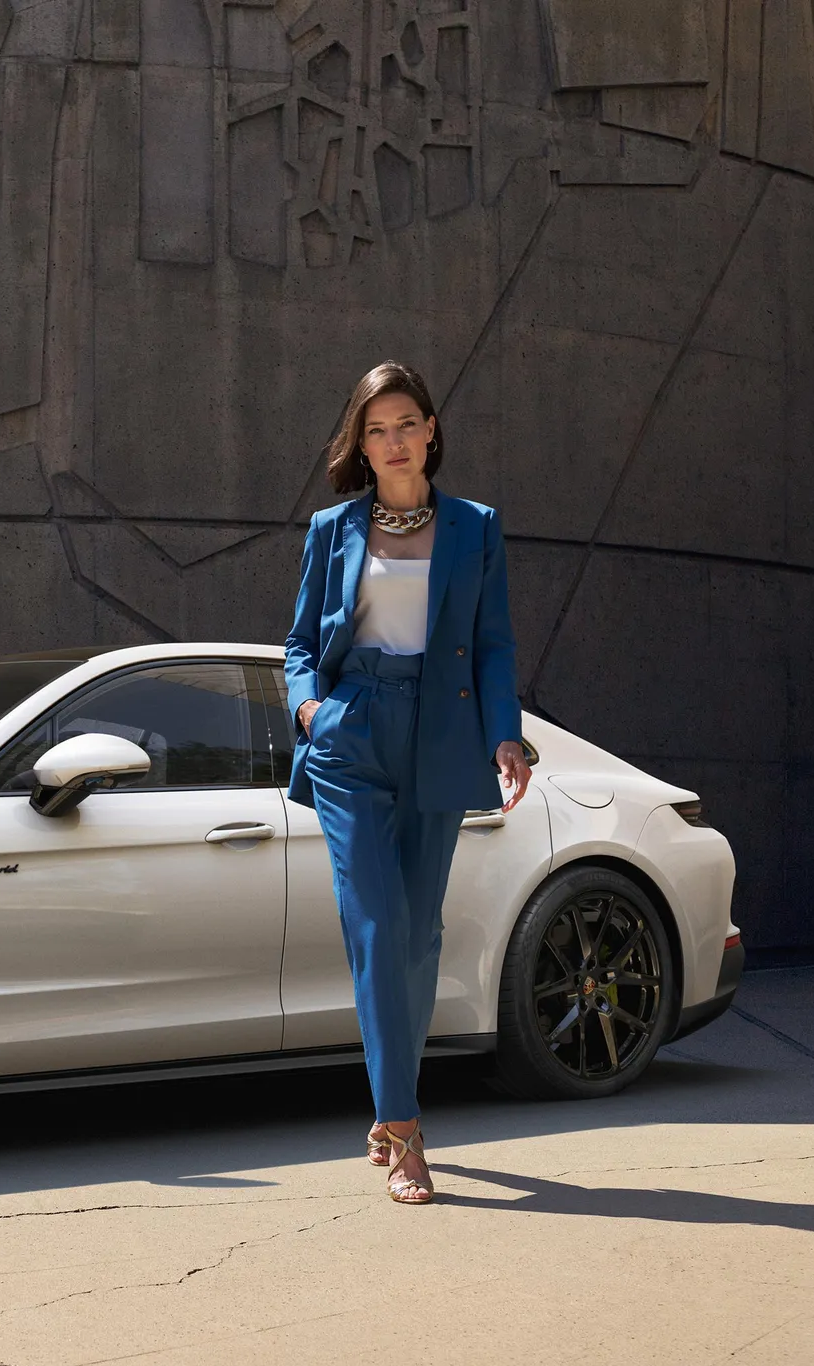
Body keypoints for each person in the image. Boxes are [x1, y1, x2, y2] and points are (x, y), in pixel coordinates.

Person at [286, 363, 533, 1204]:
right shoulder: (331, 529)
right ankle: (405, 1126)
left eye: (405, 424)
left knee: (420, 935)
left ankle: (392, 1097)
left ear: (431, 430)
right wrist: (312, 710)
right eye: (375, 429)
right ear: (360, 442)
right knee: (378, 927)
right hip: (351, 731)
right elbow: (295, 647)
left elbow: (494, 644)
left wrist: (507, 736)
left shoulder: (476, 528)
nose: (391, 441)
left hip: (438, 733)